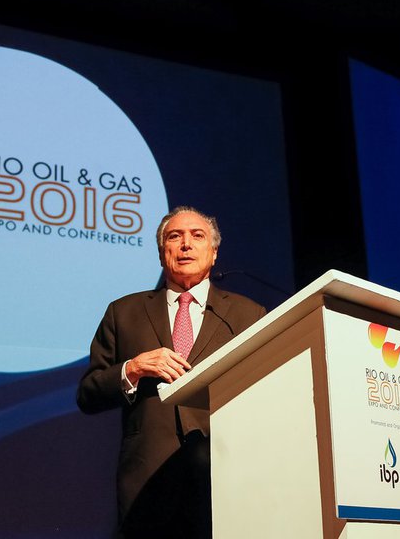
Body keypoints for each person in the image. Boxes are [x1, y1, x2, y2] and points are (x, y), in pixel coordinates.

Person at [77, 206, 266, 538]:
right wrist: (133, 368)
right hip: (147, 480)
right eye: (174, 236)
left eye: (197, 236)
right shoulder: (124, 312)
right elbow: (88, 393)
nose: (186, 245)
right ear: (161, 251)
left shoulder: (247, 314)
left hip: (224, 474)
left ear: (214, 251)